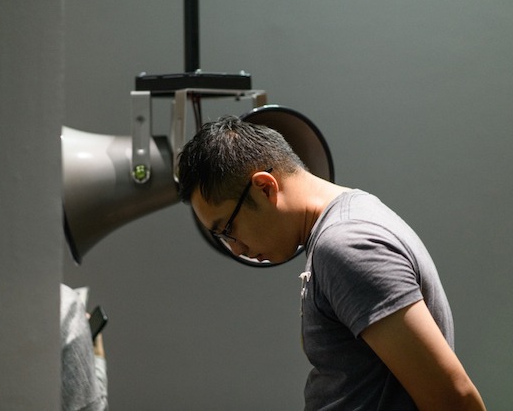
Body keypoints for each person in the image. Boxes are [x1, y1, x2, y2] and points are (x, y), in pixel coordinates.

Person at [175, 115, 484, 410]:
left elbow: (455, 399)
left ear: (266, 187)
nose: (237, 249)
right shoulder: (354, 215)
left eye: (228, 229)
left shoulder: (346, 246)